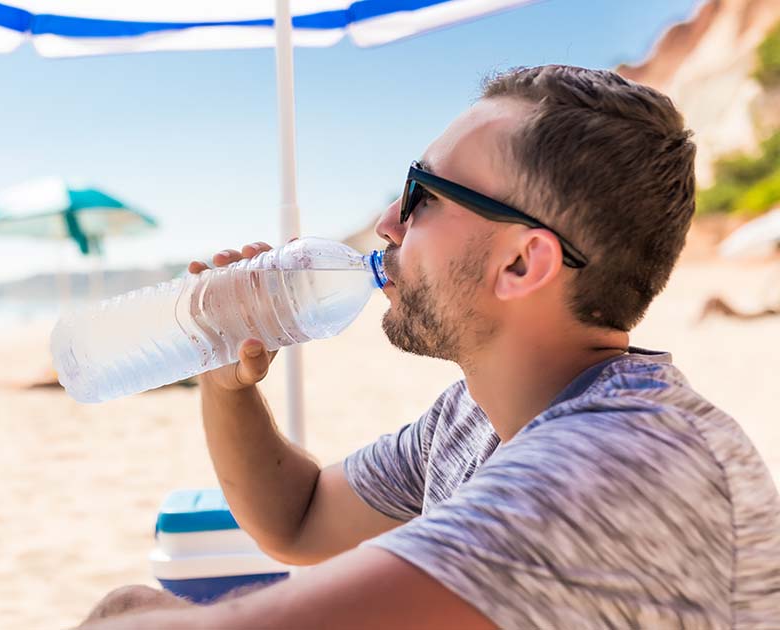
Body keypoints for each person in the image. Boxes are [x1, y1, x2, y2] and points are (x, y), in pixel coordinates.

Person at [78, 65, 780, 629]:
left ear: (522, 264)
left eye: (422, 195)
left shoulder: (629, 461)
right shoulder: (471, 420)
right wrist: (225, 379)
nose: (387, 221)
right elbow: (298, 520)